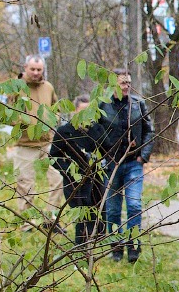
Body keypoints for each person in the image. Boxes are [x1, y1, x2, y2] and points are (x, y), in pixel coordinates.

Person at [96, 69, 152, 261]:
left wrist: (143, 156)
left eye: (128, 82)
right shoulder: (102, 106)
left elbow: (149, 131)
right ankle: (116, 249)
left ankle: (134, 247)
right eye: (122, 83)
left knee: (134, 205)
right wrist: (101, 157)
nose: (126, 86)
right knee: (112, 210)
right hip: (111, 165)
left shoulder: (138, 104)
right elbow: (94, 132)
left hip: (133, 163)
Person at [49, 95, 107, 251]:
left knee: (96, 210)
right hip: (73, 180)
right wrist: (68, 170)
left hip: (95, 178)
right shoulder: (64, 131)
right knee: (80, 212)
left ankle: (97, 243)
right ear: (75, 111)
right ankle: (80, 245)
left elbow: (108, 149)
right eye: (82, 111)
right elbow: (53, 156)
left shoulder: (97, 129)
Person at [9, 56, 57, 211]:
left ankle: (51, 217)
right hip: (25, 144)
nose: (36, 73)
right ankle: (27, 220)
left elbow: (56, 108)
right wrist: (25, 121)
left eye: (39, 69)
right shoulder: (16, 87)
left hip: (47, 143)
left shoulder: (48, 87)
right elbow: (5, 113)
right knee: (25, 185)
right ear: (25, 67)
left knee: (58, 179)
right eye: (32, 69)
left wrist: (52, 120)